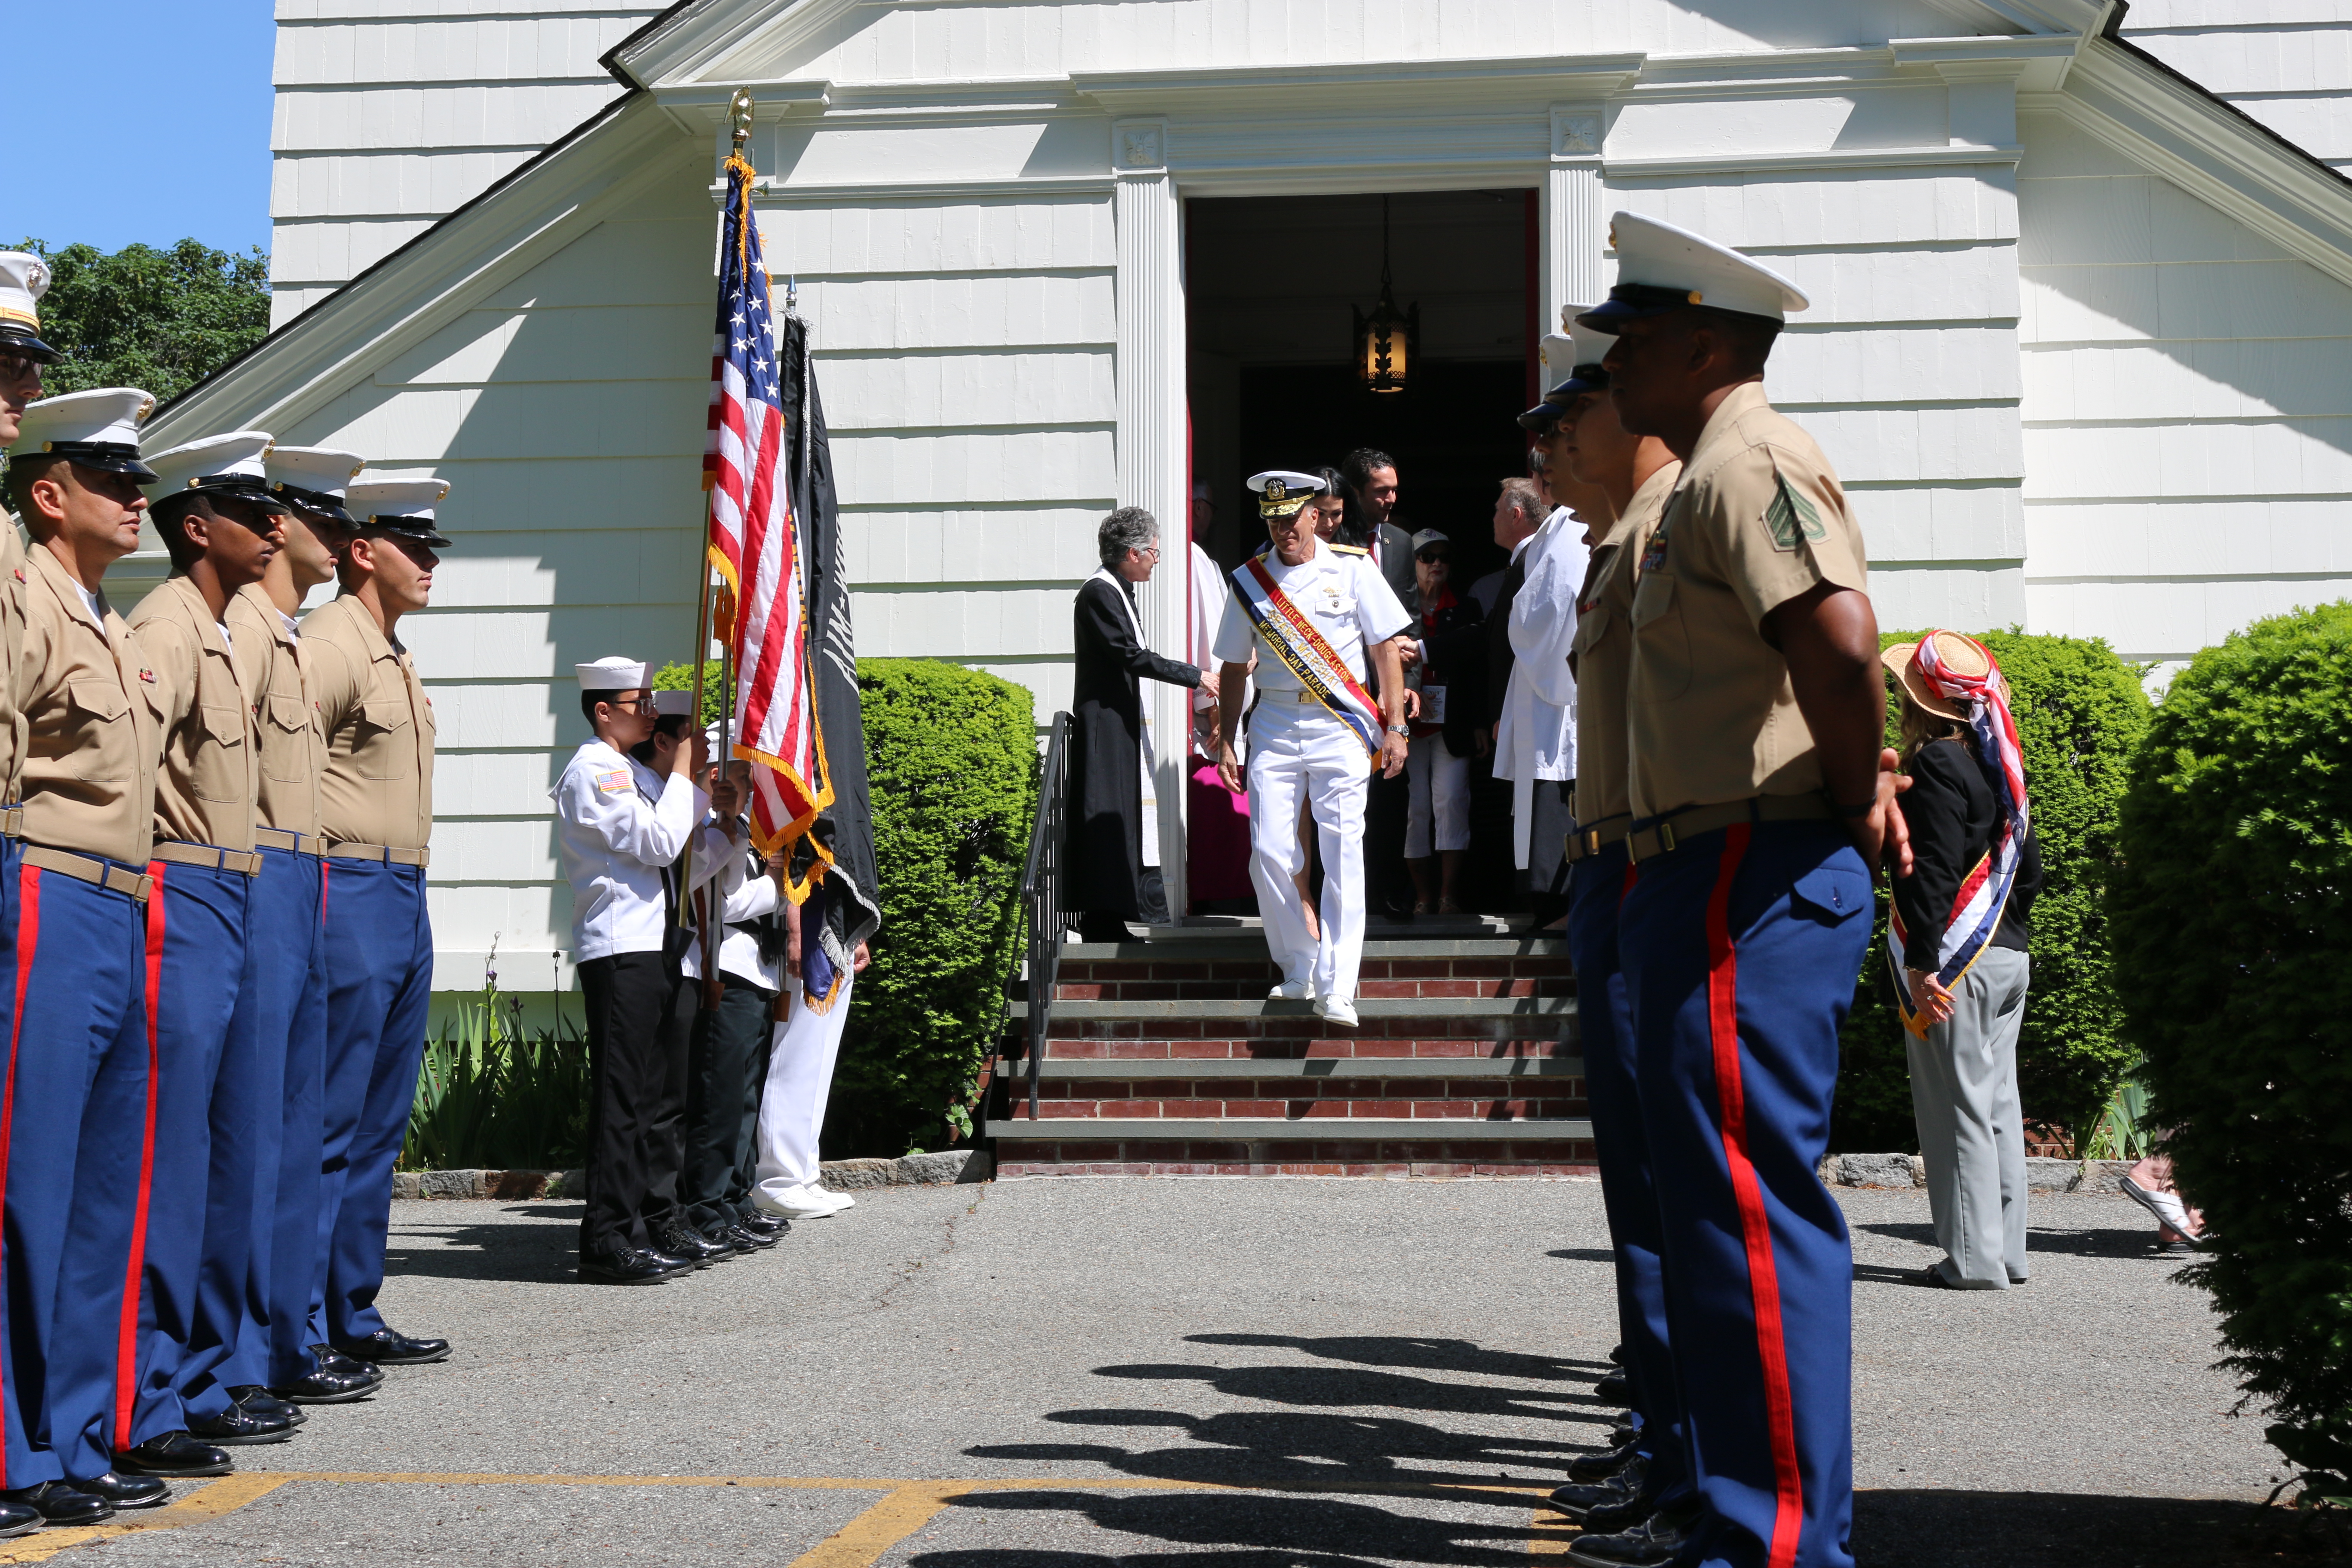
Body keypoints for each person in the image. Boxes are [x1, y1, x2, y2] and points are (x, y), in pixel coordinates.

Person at [1569, 211, 1911, 1568]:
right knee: (1712, 1222)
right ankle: (1743, 1524)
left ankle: (1773, 1550)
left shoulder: (1749, 456)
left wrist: (1849, 791)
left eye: (1634, 341)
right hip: (1700, 865)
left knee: (1751, 1230)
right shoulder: (1710, 467)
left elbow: (1837, 642)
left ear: (1704, 344)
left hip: (1745, 864)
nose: (1615, 368)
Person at [1, 388, 178, 1525]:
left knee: (103, 1195)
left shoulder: (114, 622)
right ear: (50, 493)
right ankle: (11, 1447)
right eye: (115, 483)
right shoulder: (24, 598)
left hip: (123, 903)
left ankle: (71, 1435)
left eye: (140, 481)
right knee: (26, 1188)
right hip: (45, 893)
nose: (138, 499)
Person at [1538, 325, 1692, 1539]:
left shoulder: (1667, 525)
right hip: (1614, 864)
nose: (1552, 441)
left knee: (1670, 1183)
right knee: (1640, 1183)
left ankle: (1686, 1458)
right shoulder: (1607, 545)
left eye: (1569, 413)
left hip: (1658, 866)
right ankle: (1664, 1435)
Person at [121, 434, 295, 1468]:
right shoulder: (171, 627)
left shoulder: (224, 630)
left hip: (232, 890)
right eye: (251, 508)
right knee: (169, 1162)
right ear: (197, 526)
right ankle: (148, 1387)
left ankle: (190, 1373)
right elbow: (133, 779)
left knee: (224, 1152)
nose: (276, 524)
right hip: (179, 890)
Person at [232, 446, 381, 1409]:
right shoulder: (279, 636)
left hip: (320, 880)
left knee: (326, 1130)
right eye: (322, 524)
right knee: (265, 1138)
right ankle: (266, 1343)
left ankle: (309, 1328)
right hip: (273, 881)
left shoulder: (294, 634)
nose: (336, 540)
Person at [308, 478, 452, 1367]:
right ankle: (303, 1322)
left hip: (401, 892)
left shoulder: (391, 651)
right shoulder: (332, 644)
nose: (432, 565)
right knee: (329, 1119)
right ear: (364, 550)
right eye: (416, 547)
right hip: (345, 884)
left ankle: (351, 1309)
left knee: (377, 1124)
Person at [1212, 471, 1409, 1028]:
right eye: (1272, 520)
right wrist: (1230, 737)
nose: (1282, 530)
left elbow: (1386, 649)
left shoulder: (1352, 569)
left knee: (1344, 851)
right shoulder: (1250, 581)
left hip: (1338, 725)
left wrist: (1396, 726)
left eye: (1290, 518)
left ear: (1314, 515)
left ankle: (1338, 985)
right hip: (1273, 720)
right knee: (1270, 852)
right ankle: (1300, 963)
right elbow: (1231, 666)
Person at [1882, 631, 2042, 1291]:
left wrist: (1924, 963)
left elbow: (1935, 874)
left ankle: (1973, 1262)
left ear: (1923, 702)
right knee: (1998, 1103)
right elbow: (2028, 873)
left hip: (1957, 965)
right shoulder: (1997, 759)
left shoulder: (1939, 765)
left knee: (1957, 1109)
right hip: (2006, 954)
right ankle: (2006, 1254)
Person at [554, 664, 711, 1283]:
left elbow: (687, 834)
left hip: (654, 945)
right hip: (620, 947)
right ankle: (606, 1237)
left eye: (651, 701)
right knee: (622, 1100)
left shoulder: (637, 772)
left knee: (652, 1097)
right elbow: (655, 844)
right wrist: (680, 777)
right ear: (602, 711)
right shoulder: (595, 770)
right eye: (637, 701)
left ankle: (640, 1225)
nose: (650, 711)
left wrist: (697, 786)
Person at [1066, 507, 1212, 943]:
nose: (1156, 559)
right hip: (1104, 728)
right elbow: (1129, 655)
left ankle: (1111, 915)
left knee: (1123, 817)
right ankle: (1100, 917)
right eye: (1154, 551)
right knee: (1108, 817)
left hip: (1119, 724)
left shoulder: (1117, 591)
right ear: (1133, 553)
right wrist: (1196, 675)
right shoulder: (1099, 593)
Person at [677, 745, 788, 1253]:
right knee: (719, 1099)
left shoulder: (750, 833)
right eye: (742, 780)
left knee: (745, 1096)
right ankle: (705, 1207)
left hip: (757, 973)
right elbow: (729, 902)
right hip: (726, 969)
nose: (748, 789)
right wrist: (777, 883)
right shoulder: (711, 832)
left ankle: (735, 1199)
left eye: (750, 780)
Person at [1399, 530, 1482, 913]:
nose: (1436, 563)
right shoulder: (1396, 608)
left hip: (1454, 726)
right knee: (1415, 809)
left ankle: (1449, 895)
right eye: (1426, 556)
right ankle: (1422, 896)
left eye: (1443, 557)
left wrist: (1482, 722)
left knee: (1451, 803)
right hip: (1408, 728)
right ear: (1411, 562)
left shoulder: (1467, 609)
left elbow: (1479, 670)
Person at [1185, 492, 1251, 912]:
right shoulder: (1191, 558)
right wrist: (1215, 710)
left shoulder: (1200, 560)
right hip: (1209, 720)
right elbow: (1212, 646)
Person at [1340, 448, 1416, 614]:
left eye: (1394, 490)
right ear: (1354, 493)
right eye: (1382, 491)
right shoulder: (1328, 540)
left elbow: (1411, 610)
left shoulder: (1402, 542)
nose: (1392, 499)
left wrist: (1406, 640)